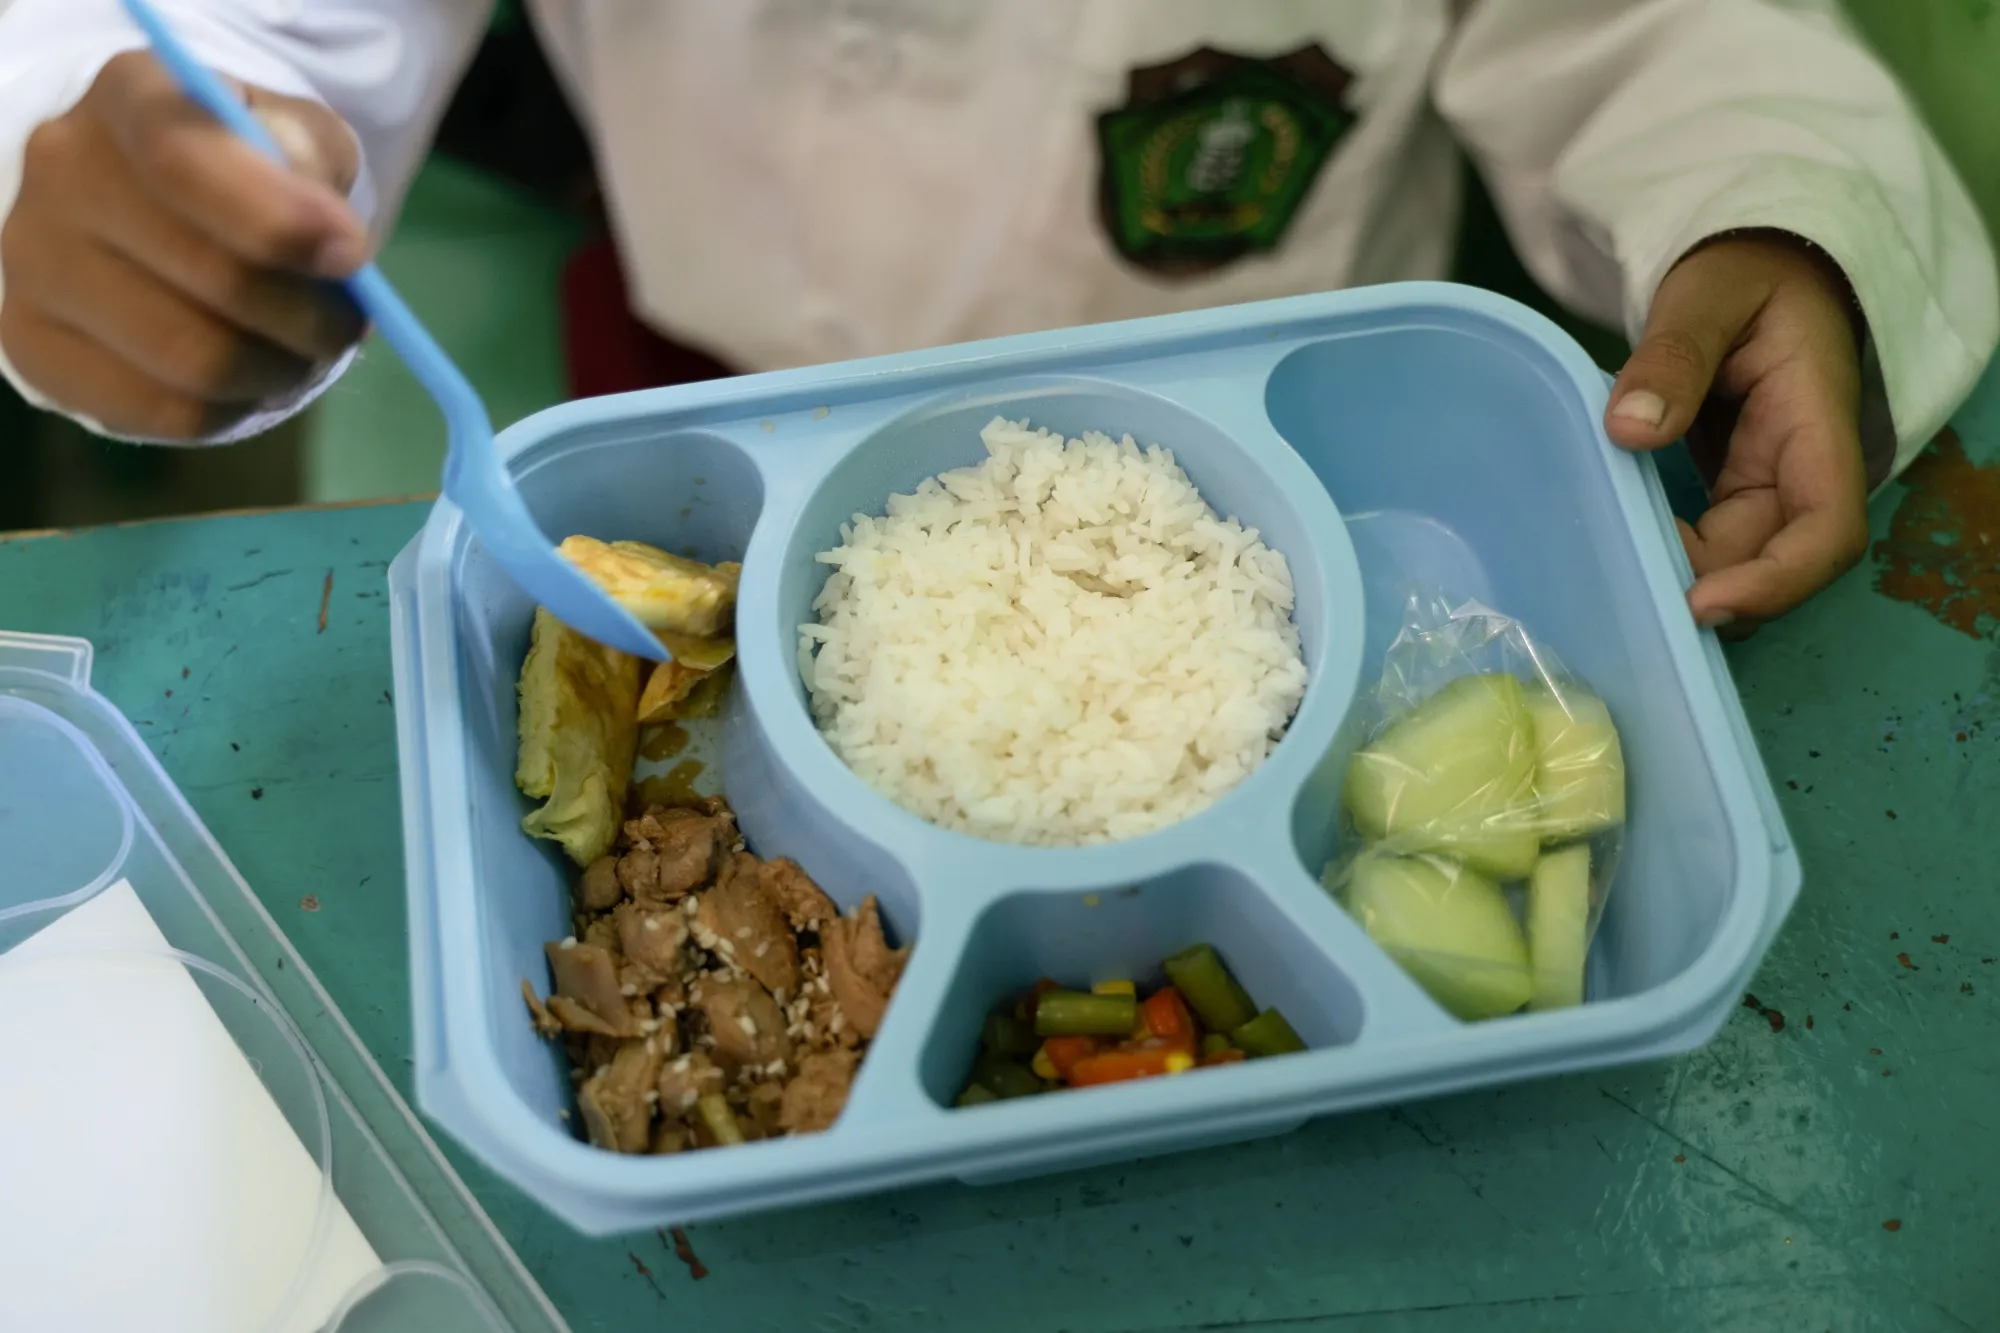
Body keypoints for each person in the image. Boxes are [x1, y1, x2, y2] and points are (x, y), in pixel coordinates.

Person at [0, 1, 1992, 629]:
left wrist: (1779, 226)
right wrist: (128, 163)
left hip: (1265, 439)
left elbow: (1666, 34)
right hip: (706, 374)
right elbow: (228, 43)